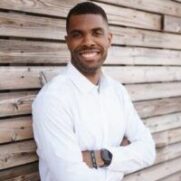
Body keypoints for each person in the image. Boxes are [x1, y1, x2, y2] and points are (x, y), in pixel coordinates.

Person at [32, 2, 156, 181]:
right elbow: (70, 176)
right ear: (68, 42)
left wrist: (100, 157)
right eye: (77, 35)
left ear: (109, 39)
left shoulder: (117, 92)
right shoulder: (52, 99)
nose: (88, 42)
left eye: (97, 33)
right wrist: (124, 153)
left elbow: (148, 151)